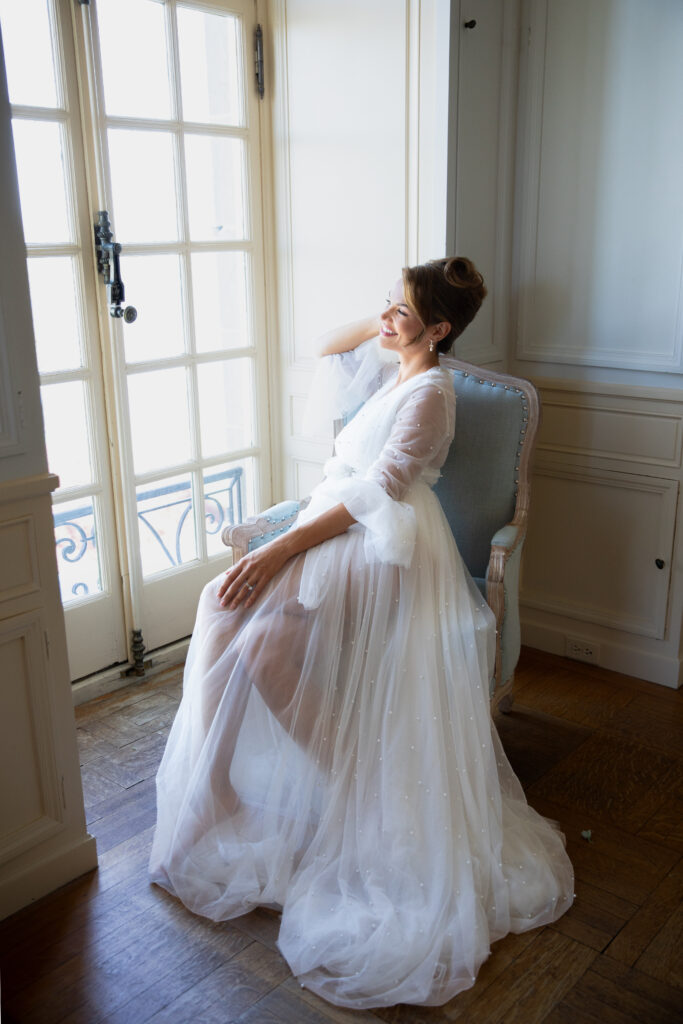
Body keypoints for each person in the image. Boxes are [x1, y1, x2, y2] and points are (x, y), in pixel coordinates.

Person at [149, 257, 574, 1009]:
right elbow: (324, 343)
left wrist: (281, 546)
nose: (381, 323)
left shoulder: (433, 394)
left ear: (440, 331)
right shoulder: (400, 362)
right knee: (222, 606)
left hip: (384, 542)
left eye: (403, 315)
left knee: (262, 641)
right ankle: (212, 789)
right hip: (345, 522)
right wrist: (395, 312)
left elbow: (378, 493)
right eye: (387, 307)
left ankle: (351, 782)